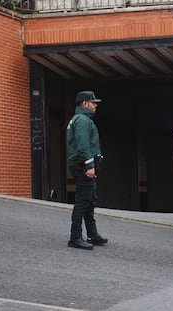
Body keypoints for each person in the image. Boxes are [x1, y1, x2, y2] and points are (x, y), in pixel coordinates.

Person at [66, 91, 108, 250]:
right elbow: (83, 145)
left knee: (90, 201)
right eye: (93, 102)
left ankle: (92, 234)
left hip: (82, 164)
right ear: (84, 103)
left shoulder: (79, 119)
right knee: (83, 202)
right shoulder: (83, 120)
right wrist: (90, 166)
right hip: (83, 165)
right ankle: (75, 237)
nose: (95, 105)